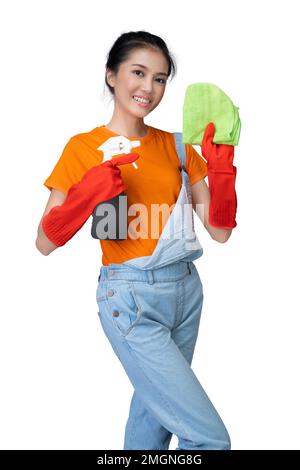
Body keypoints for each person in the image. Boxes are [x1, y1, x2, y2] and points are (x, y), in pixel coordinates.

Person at [36, 31, 234, 450]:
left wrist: (221, 171)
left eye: (160, 79)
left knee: (153, 417)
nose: (149, 88)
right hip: (129, 299)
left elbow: (219, 231)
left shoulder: (178, 147)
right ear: (111, 76)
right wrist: (85, 195)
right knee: (210, 440)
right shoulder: (84, 148)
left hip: (185, 292)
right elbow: (44, 241)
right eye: (138, 73)